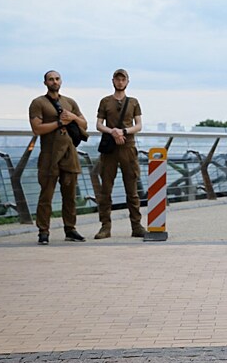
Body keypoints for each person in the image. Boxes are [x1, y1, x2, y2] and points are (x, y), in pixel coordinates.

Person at [29, 70, 89, 244]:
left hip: (69, 153)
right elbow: (37, 129)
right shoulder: (38, 103)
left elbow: (84, 123)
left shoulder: (69, 102)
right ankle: (43, 231)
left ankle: (70, 229)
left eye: (57, 79)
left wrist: (72, 117)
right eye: (51, 79)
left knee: (70, 194)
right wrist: (60, 123)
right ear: (45, 82)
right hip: (49, 153)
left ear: (61, 81)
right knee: (46, 194)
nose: (54, 82)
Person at [94, 69, 146, 239]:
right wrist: (113, 132)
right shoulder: (105, 101)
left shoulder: (133, 102)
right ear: (113, 81)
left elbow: (138, 125)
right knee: (105, 189)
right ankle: (105, 227)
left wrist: (123, 131)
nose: (120, 82)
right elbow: (98, 125)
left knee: (132, 189)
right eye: (117, 79)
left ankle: (136, 226)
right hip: (110, 149)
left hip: (128, 147)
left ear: (127, 82)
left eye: (123, 79)